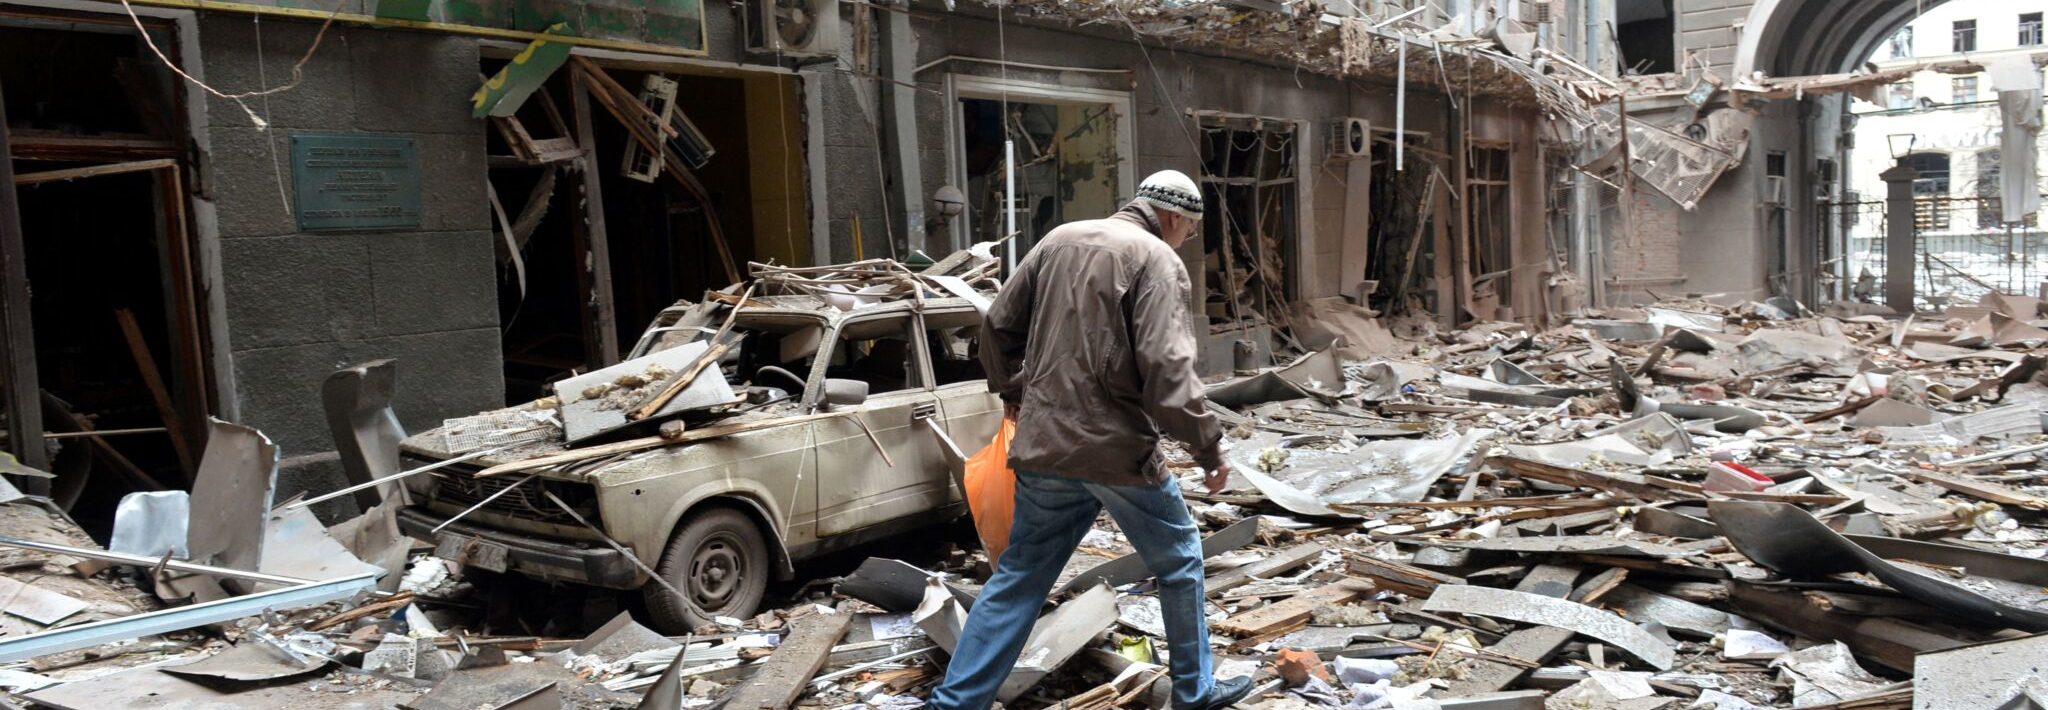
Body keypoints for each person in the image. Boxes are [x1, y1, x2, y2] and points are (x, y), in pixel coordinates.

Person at [929, 170, 1252, 710]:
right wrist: (1209, 448)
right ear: (1174, 217)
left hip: (1045, 444)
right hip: (1115, 450)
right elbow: (1168, 369)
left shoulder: (1057, 239)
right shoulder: (1157, 259)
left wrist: (1011, 389)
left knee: (1020, 579)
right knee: (1179, 561)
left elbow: (996, 325)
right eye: (1190, 231)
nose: (1185, 240)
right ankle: (1195, 691)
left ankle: (954, 703)